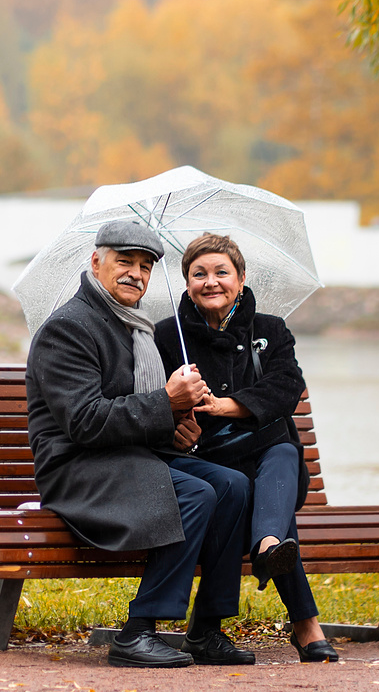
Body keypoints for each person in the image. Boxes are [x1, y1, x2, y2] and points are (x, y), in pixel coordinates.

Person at [25, 220, 256, 668]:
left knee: (232, 485)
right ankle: (138, 631)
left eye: (145, 265)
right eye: (124, 261)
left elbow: (133, 411)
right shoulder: (69, 328)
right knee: (194, 492)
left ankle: (207, 629)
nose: (136, 273)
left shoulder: (134, 327)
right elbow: (85, 423)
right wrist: (164, 402)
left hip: (128, 458)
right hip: (77, 468)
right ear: (96, 262)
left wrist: (174, 425)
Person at [156, 232, 341, 663]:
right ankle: (294, 603)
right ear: (187, 283)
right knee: (245, 492)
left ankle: (265, 550)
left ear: (240, 278)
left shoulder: (270, 330)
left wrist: (227, 406)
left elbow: (287, 386)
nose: (211, 282)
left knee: (281, 454)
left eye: (222, 272)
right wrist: (176, 423)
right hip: (210, 465)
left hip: (269, 463)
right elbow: (151, 395)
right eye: (199, 274)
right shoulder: (168, 336)